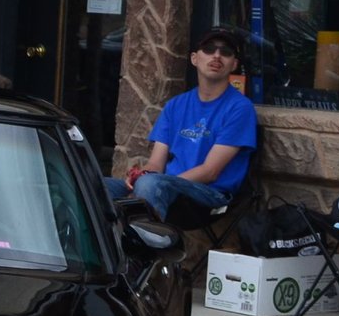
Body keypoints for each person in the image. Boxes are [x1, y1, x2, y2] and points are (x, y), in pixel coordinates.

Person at [104, 25, 256, 221]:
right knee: (94, 185)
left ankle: (147, 250)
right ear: (194, 58)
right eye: (209, 49)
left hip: (208, 194)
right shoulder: (176, 105)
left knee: (150, 185)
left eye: (225, 52)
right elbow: (156, 163)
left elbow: (210, 172)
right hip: (166, 185)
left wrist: (154, 182)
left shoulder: (240, 108)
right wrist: (141, 176)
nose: (216, 56)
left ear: (234, 64)